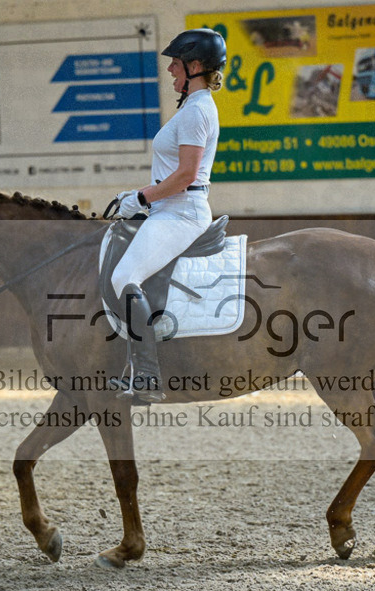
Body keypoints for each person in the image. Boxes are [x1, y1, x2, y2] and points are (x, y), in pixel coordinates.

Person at [109, 28, 226, 403]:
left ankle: (146, 377)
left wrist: (141, 197)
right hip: (169, 207)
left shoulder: (197, 111)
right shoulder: (193, 108)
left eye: (176, 63)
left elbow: (186, 175)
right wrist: (141, 197)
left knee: (124, 276)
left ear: (194, 66)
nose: (171, 70)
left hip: (181, 212)